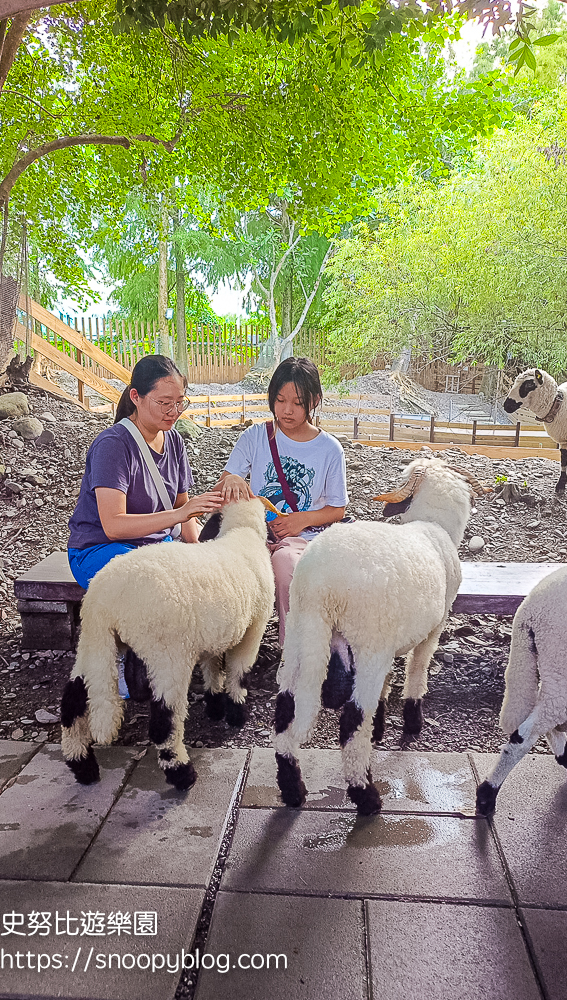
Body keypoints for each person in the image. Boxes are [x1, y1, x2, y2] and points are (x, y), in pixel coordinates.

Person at [67, 354, 223, 695]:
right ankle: (119, 663)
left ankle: (180, 663)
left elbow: (183, 509)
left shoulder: (176, 442)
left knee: (194, 583)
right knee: (147, 584)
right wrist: (180, 517)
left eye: (180, 402)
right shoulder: (113, 445)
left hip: (154, 548)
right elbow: (114, 526)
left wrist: (200, 558)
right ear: (135, 397)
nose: (173, 412)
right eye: (164, 403)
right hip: (100, 549)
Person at [215, 356, 349, 644]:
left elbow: (338, 508)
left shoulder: (329, 449)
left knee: (286, 565)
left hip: (303, 538)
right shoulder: (255, 436)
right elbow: (222, 487)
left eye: (297, 403)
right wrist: (233, 480)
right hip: (254, 533)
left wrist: (302, 520)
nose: (286, 410)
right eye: (280, 400)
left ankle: (293, 650)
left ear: (313, 400)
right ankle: (226, 648)